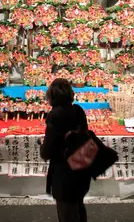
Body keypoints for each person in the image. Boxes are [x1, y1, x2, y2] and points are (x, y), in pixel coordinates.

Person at [40, 78, 91, 222]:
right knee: (78, 207)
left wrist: (42, 146)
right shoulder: (78, 110)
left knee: (67, 213)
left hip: (64, 171)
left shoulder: (55, 115)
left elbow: (48, 150)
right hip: (80, 167)